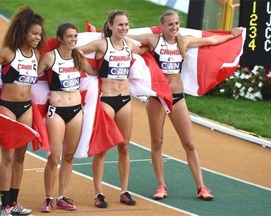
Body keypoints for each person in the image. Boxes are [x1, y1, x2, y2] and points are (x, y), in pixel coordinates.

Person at [128, 10, 243, 201]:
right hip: (157, 99)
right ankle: (161, 185)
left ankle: (201, 187)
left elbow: (211, 41)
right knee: (157, 143)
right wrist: (103, 32)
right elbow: (125, 36)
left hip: (177, 98)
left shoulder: (184, 41)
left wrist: (231, 35)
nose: (174, 27)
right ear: (162, 26)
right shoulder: (153, 40)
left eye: (176, 24)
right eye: (170, 24)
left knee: (189, 143)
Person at [0, 6, 47, 216]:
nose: (38, 37)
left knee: (20, 157)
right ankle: (4, 206)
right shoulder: (8, 52)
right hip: (7, 108)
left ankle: (14, 203)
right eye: (34, 34)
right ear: (24, 32)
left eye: (39, 34)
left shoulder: (37, 55)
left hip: (26, 108)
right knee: (8, 157)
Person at [78, 10, 141, 208]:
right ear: (111, 25)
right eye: (120, 25)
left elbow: (145, 50)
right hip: (106, 100)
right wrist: (91, 70)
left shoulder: (129, 44)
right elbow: (75, 51)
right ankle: (99, 193)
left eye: (126, 25)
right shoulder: (101, 44)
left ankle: (124, 190)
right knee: (102, 148)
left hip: (125, 100)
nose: (123, 28)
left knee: (124, 146)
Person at [38, 23, 97, 213]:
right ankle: (48, 198)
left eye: (75, 36)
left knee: (69, 156)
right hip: (56, 111)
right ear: (61, 38)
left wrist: (97, 38)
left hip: (75, 112)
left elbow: (95, 73)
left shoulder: (78, 56)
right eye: (69, 36)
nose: (73, 40)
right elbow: (32, 76)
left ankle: (62, 196)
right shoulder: (50, 57)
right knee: (54, 157)